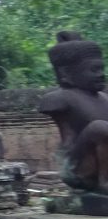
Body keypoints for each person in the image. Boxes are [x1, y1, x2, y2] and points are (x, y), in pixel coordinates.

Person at [40, 31, 108, 194]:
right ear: (66, 73)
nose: (101, 74)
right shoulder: (61, 98)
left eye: (102, 69)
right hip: (77, 167)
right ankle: (104, 182)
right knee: (98, 128)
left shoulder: (104, 96)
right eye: (93, 70)